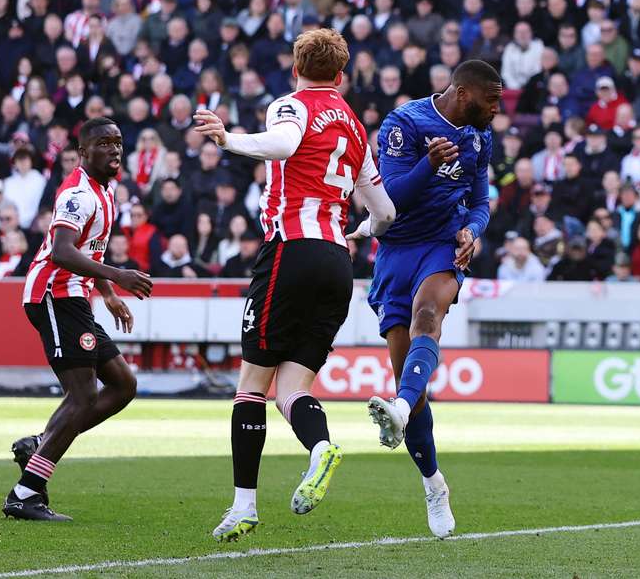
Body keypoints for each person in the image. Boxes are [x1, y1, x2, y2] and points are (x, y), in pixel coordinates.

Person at [193, 29, 395, 542]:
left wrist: (228, 139)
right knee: (291, 389)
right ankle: (320, 447)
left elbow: (283, 144)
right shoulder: (355, 127)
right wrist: (361, 229)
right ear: (341, 75)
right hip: (337, 262)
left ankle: (243, 506)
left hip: (290, 251)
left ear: (295, 69)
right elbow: (386, 213)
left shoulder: (292, 105)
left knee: (250, 387)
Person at [362, 60, 501, 538]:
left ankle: (399, 410)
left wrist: (473, 231)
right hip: (396, 251)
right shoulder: (405, 123)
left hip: (442, 245)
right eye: (491, 100)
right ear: (463, 94)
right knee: (411, 384)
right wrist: (430, 164)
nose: (496, 109)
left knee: (428, 314)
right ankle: (434, 484)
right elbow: (391, 199)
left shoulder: (480, 137)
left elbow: (480, 201)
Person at [4, 118, 153, 521]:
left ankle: (40, 443)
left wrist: (108, 294)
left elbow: (91, 250)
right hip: (53, 294)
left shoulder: (107, 191)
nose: (114, 149)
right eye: (104, 143)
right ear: (84, 152)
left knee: (123, 384)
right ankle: (25, 494)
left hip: (75, 297)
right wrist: (117, 276)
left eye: (118, 142)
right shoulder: (78, 194)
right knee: (83, 394)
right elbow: (63, 251)